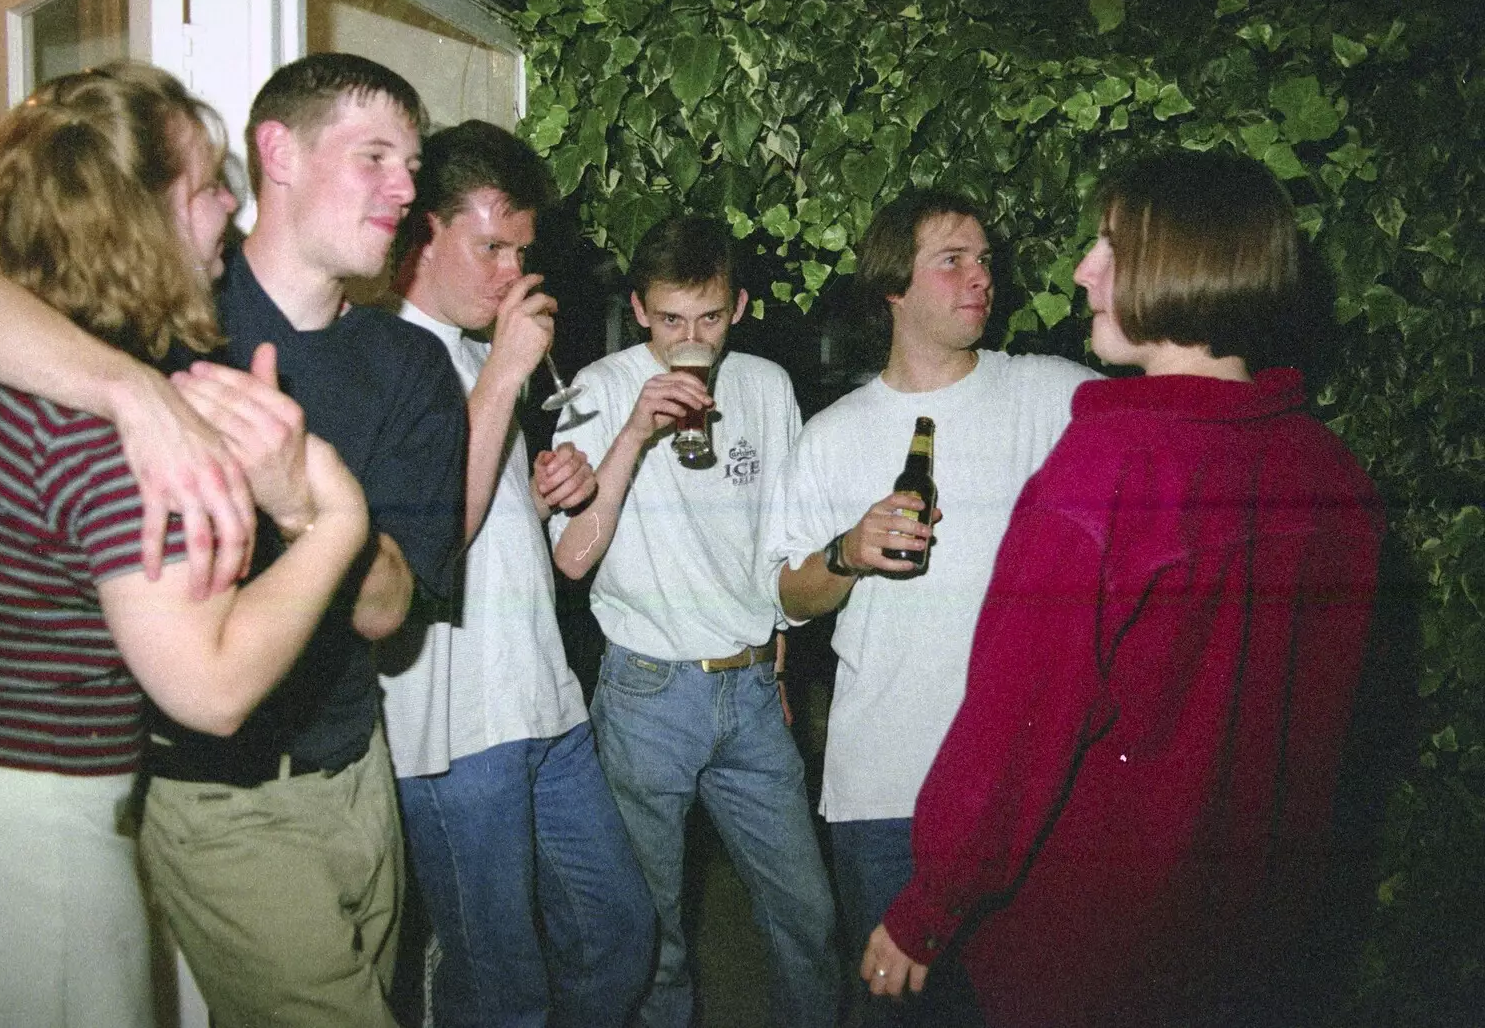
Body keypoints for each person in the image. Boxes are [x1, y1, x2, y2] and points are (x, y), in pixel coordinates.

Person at [0, 65, 369, 1028]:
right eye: (205, 188)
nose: (232, 208)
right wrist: (335, 522)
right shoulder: (110, 441)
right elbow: (211, 686)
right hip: (25, 846)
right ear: (136, 220)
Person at [863, 151, 1386, 1027]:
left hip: (1094, 962)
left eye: (1110, 246)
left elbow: (1016, 727)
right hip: (1259, 958)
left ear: (1181, 263)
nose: (1083, 271)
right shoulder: (1333, 475)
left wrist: (929, 910)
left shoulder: (1107, 474)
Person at [134, 53, 465, 1028]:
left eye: (413, 165)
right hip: (220, 797)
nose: (406, 190)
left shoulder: (408, 364)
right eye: (375, 157)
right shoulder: (171, 319)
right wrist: (119, 385)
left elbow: (392, 607)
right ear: (276, 151)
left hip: (360, 774)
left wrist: (300, 506)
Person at [759, 190, 1095, 1025]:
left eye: (985, 260)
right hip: (888, 788)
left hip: (1022, 788)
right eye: (953, 259)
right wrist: (847, 551)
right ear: (893, 287)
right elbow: (785, 594)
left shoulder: (1045, 394)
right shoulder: (835, 432)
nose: (979, 276)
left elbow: (1170, 420)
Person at [381, 118, 654, 1027]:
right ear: (425, 231)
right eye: (490, 245)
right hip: (455, 733)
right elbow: (417, 551)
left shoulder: (475, 354)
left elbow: (476, 521)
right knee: (500, 988)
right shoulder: (383, 354)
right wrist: (503, 375)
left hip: (543, 699)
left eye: (521, 251)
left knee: (619, 933)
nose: (511, 273)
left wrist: (540, 500)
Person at [548, 215, 839, 1028]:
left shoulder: (767, 386)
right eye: (671, 320)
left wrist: (780, 665)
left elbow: (780, 541)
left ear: (738, 307)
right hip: (647, 692)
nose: (691, 339)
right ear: (639, 310)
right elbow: (570, 556)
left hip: (749, 686)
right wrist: (636, 428)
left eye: (709, 319)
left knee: (807, 918)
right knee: (655, 933)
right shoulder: (592, 392)